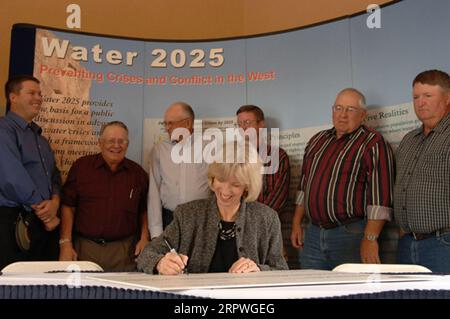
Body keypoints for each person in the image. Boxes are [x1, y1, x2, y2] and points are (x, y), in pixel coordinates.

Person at [137, 142, 288, 274]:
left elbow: (281, 269)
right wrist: (160, 263)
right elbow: (147, 254)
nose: (225, 191)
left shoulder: (267, 218)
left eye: (235, 184)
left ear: (247, 187)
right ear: (212, 178)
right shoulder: (187, 214)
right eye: (221, 180)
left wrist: (259, 269)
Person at [290, 88, 394, 270]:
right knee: (312, 292)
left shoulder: (373, 143)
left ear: (362, 115)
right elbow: (304, 186)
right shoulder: (317, 140)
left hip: (350, 234)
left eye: (350, 109)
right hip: (313, 234)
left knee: (351, 291)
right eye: (338, 108)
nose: (342, 115)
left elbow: (381, 199)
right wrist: (296, 223)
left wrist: (370, 238)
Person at [59, 121, 149, 271]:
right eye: (111, 141)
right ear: (100, 143)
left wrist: (145, 238)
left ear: (127, 144)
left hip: (125, 252)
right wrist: (65, 243)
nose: (116, 145)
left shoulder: (138, 173)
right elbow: (68, 206)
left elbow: (144, 210)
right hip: (85, 249)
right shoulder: (81, 167)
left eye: (122, 141)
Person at [0, 75, 61, 269]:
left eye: (40, 94)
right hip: (14, 222)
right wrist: (46, 213)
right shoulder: (4, 129)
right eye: (31, 93)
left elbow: (55, 176)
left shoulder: (40, 140)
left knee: (45, 285)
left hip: (43, 223)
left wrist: (55, 201)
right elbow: (11, 176)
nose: (38, 98)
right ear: (13, 97)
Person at [394, 69, 450, 272]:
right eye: (416, 97)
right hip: (407, 244)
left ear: (447, 98)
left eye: (428, 96)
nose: (420, 102)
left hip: (443, 244)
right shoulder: (409, 140)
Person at [147, 102, 209, 239]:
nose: (167, 128)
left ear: (187, 123)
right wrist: (156, 233)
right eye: (165, 124)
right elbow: (154, 192)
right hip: (170, 220)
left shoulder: (209, 147)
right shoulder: (159, 150)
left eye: (170, 123)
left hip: (203, 221)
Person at [236, 105, 291, 258]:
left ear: (261, 125)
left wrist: (254, 220)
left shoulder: (278, 156)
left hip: (269, 229)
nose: (243, 129)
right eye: (239, 125)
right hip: (238, 230)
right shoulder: (233, 157)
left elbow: (278, 197)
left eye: (247, 123)